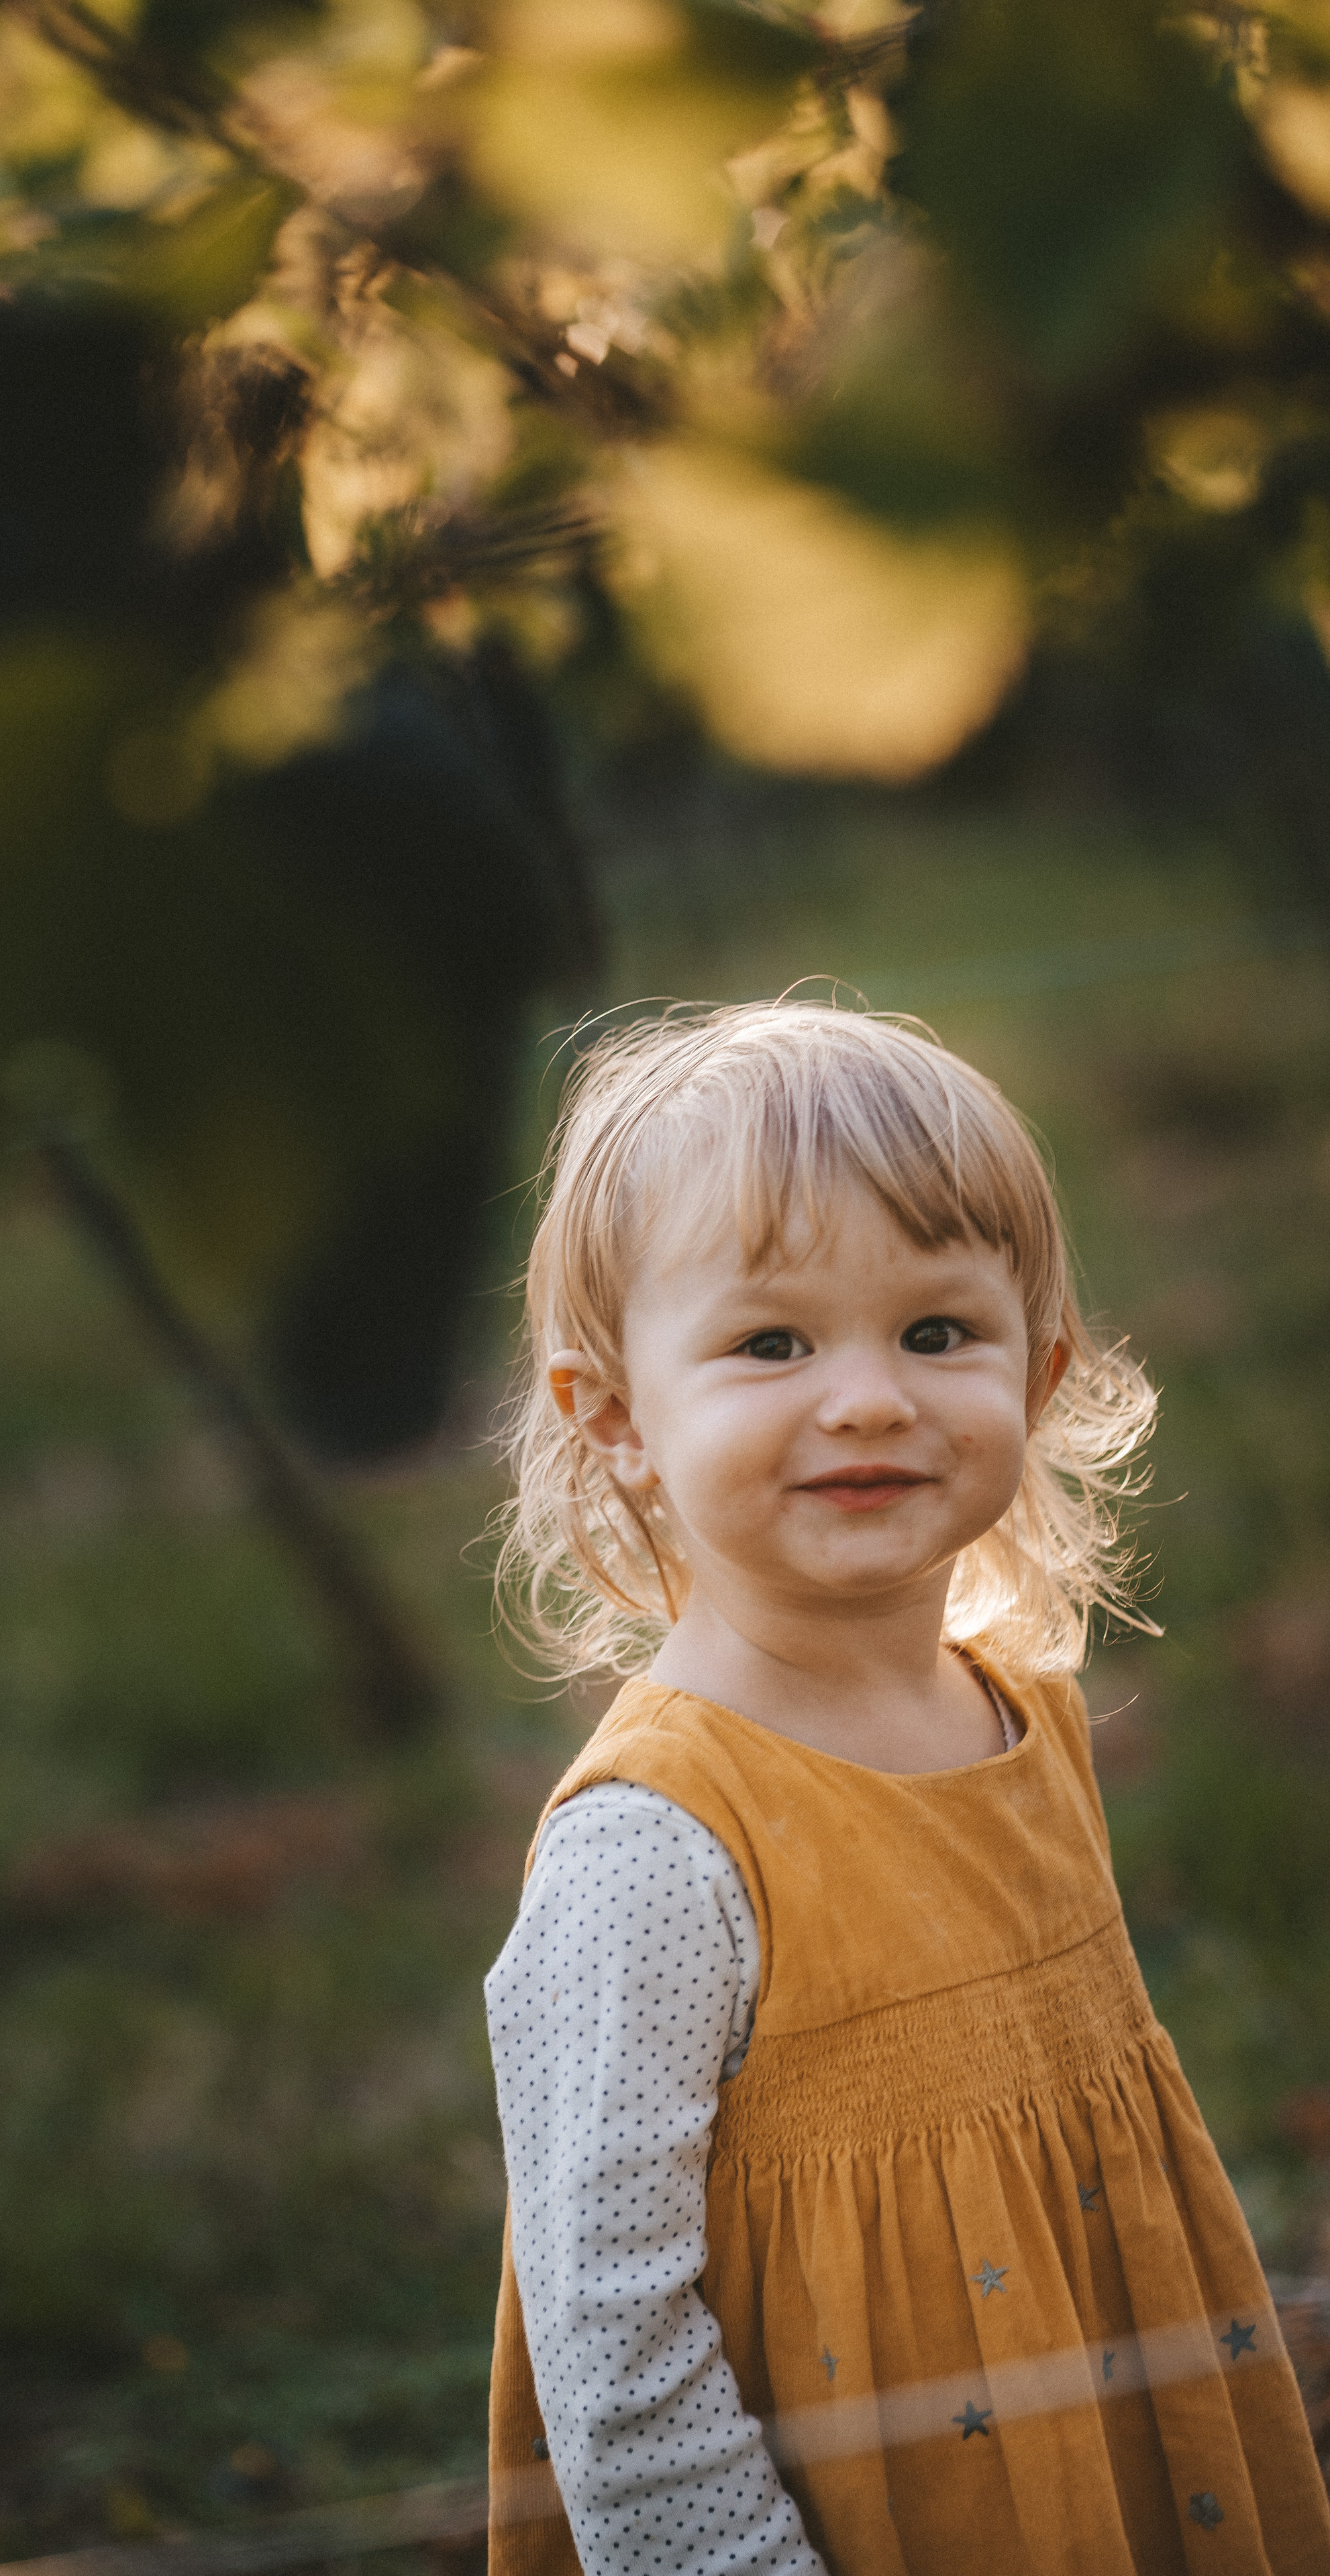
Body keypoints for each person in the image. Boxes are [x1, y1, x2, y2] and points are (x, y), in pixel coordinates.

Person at [482, 1001, 1330, 2576]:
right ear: (613, 1421)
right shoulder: (654, 1847)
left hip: (1108, 2468)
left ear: (1041, 1367)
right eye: (769, 1343)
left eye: (936, 1333)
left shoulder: (1023, 1720)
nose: (869, 1397)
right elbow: (613, 2349)